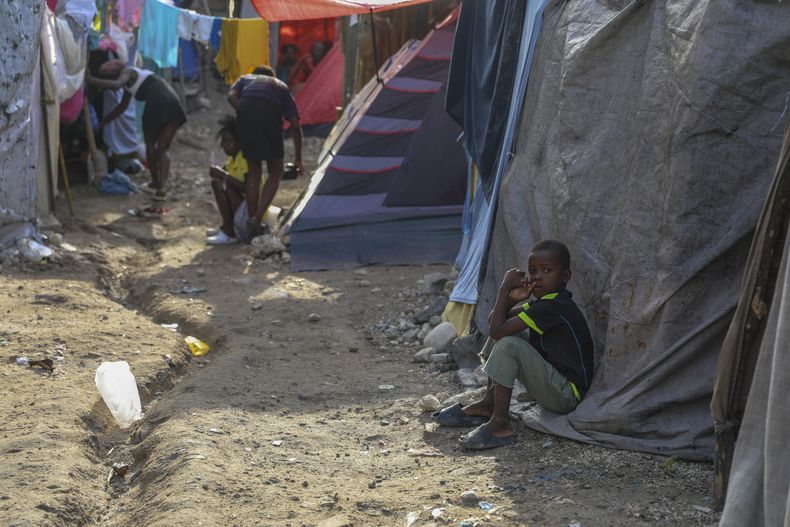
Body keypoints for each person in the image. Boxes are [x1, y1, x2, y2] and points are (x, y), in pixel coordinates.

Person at [432, 240, 595, 450]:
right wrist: (510, 300)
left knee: (509, 343)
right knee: (505, 335)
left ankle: (500, 425)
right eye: (533, 271)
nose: (537, 277)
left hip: (566, 395)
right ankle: (490, 403)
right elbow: (496, 322)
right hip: (554, 384)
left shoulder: (553, 307)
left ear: (565, 275)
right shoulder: (543, 303)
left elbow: (497, 330)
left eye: (547, 270)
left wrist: (504, 288)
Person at [86, 60, 186, 201]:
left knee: (151, 146)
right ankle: (160, 187)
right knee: (163, 148)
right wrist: (103, 123)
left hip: (156, 102)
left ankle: (156, 184)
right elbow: (121, 108)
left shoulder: (128, 71)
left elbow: (115, 86)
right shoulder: (130, 84)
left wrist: (90, 80)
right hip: (172, 101)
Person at [227, 65, 303, 238]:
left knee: (254, 170)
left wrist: (245, 112)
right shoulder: (280, 85)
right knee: (275, 171)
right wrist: (298, 158)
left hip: (245, 114)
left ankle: (252, 221)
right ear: (272, 76)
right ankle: (256, 218)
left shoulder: (245, 79)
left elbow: (231, 96)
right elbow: (295, 124)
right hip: (270, 117)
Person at [205, 116, 247, 245]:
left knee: (226, 185)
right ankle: (226, 226)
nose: (223, 146)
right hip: (242, 210)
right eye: (223, 142)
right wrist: (219, 173)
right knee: (217, 183)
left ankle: (230, 233)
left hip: (249, 212)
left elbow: (247, 188)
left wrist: (223, 175)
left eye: (227, 142)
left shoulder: (245, 159)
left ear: (238, 142)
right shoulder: (232, 161)